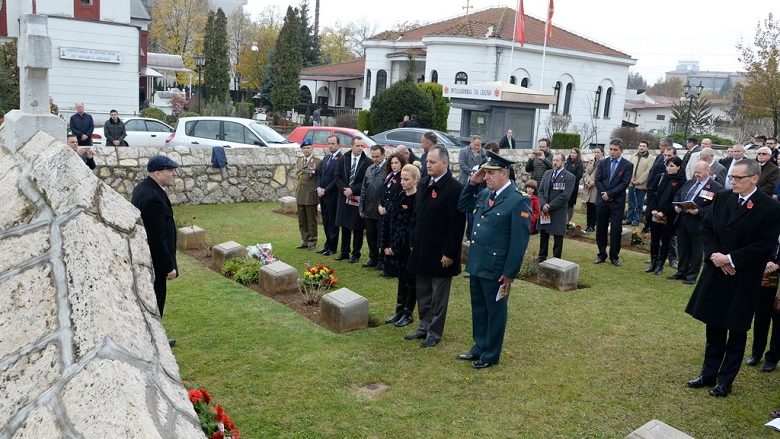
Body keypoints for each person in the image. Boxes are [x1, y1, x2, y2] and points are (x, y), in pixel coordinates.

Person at [685, 159, 780, 397]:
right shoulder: (723, 198)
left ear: (754, 179)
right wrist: (717, 257)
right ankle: (708, 374)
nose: (733, 181)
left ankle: (725, 381)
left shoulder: (769, 207)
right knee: (714, 326)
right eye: (732, 177)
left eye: (739, 178)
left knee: (736, 330)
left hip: (743, 276)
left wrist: (731, 259)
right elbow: (707, 228)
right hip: (717, 272)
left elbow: (764, 245)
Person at [457, 151, 531, 369]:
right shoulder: (485, 195)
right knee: (479, 308)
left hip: (497, 269)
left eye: (491, 172)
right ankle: (479, 347)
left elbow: (519, 242)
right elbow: (462, 206)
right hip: (478, 263)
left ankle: (490, 354)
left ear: (505, 173)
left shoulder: (517, 201)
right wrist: (472, 182)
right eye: (485, 172)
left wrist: (509, 273)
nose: (486, 176)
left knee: (495, 312)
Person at [404, 146, 466, 348]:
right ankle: (424, 326)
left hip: (441, 252)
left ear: (445, 164)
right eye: (427, 162)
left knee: (438, 295)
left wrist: (449, 252)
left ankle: (435, 332)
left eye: (431, 162)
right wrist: (413, 240)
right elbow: (416, 216)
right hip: (421, 248)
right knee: (423, 291)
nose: (427, 165)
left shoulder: (455, 188)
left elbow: (456, 225)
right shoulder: (423, 184)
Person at [131, 155, 180, 347]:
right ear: (158, 173)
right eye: (170, 170)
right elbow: (156, 238)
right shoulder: (152, 197)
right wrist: (168, 266)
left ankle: (153, 337)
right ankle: (154, 342)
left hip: (149, 259)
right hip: (155, 262)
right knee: (155, 299)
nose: (174, 174)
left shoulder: (146, 188)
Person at [668, 161, 723, 284]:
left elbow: (716, 208)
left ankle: (691, 276)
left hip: (698, 223)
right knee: (683, 248)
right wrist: (676, 206)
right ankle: (681, 271)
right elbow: (678, 196)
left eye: (699, 172)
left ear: (708, 172)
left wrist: (699, 211)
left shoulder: (716, 187)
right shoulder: (690, 182)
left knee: (696, 251)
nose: (696, 174)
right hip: (682, 220)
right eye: (695, 171)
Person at [383, 164, 420, 328]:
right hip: (397, 245)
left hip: (409, 248)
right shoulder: (400, 195)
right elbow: (392, 220)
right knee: (401, 278)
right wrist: (388, 243)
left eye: (406, 179)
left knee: (411, 280)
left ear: (415, 180)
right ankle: (399, 310)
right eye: (401, 179)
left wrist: (399, 245)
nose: (403, 182)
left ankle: (408, 313)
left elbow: (412, 226)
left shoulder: (418, 199)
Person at [594, 138, 634, 266]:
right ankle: (601, 254)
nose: (612, 152)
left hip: (616, 202)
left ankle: (614, 256)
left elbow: (624, 183)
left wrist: (610, 194)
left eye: (615, 150)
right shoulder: (603, 163)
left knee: (616, 230)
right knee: (601, 228)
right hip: (602, 200)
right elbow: (598, 180)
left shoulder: (627, 165)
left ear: (621, 151)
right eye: (610, 149)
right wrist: (603, 194)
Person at [644, 156, 686, 275]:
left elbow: (677, 199)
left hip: (669, 215)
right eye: (667, 165)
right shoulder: (660, 177)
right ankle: (653, 262)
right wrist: (653, 209)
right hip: (655, 213)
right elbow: (651, 192)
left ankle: (660, 264)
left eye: (672, 166)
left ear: (678, 167)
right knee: (655, 239)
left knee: (666, 240)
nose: (669, 168)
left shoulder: (681, 181)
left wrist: (665, 212)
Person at [746, 236, 780, 372]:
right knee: (761, 314)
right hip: (767, 275)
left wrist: (778, 264)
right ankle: (756, 352)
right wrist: (767, 262)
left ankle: (772, 357)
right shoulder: (772, 223)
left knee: (778, 318)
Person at [334, 137, 371, 263]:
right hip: (344, 197)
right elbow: (337, 177)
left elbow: (366, 181)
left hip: (357, 198)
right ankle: (344, 252)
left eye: (362, 146)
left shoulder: (367, 162)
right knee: (344, 226)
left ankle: (356, 253)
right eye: (358, 146)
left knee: (357, 227)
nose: (360, 148)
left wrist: (352, 190)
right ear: (352, 146)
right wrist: (344, 189)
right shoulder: (343, 159)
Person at [537, 153, 575, 261]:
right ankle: (542, 257)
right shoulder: (547, 173)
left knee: (558, 236)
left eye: (557, 160)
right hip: (545, 210)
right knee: (544, 234)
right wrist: (544, 204)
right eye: (553, 160)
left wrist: (550, 206)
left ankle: (556, 260)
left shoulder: (569, 177)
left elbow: (565, 196)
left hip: (558, 211)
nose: (554, 162)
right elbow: (540, 191)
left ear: (563, 162)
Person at [378, 152, 407, 276]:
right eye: (392, 163)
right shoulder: (389, 175)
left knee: (392, 239)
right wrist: (380, 205)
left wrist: (388, 209)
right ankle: (384, 265)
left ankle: (391, 269)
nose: (394, 165)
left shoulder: (402, 177)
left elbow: (398, 196)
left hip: (393, 213)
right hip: (384, 212)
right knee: (384, 238)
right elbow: (382, 192)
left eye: (397, 163)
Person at [359, 145, 388, 268]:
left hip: (381, 209)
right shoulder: (369, 168)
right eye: (373, 156)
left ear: (383, 155)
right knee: (370, 235)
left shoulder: (388, 169)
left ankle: (382, 260)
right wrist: (361, 207)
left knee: (381, 236)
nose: (375, 159)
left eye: (377, 156)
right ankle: (373, 258)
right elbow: (364, 188)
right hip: (369, 209)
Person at [316, 135, 343, 255]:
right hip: (322, 195)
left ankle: (332, 248)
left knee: (333, 222)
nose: (330, 145)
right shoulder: (326, 158)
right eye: (329, 143)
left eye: (333, 143)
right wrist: (318, 187)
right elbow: (319, 174)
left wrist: (325, 190)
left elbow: (336, 179)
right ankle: (327, 245)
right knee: (326, 221)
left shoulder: (341, 159)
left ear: (338, 145)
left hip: (332, 196)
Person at [459, 136, 486, 239]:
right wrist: (472, 172)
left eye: (479, 145)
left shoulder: (483, 153)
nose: (477, 147)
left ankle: (471, 231)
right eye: (475, 145)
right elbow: (462, 164)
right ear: (471, 143)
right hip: (465, 181)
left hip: (478, 184)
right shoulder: (464, 151)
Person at [295, 139, 320, 250]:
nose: (306, 150)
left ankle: (312, 241)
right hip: (300, 193)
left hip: (310, 194)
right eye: (304, 148)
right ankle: (304, 240)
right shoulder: (300, 160)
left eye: (308, 147)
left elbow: (319, 177)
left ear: (312, 148)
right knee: (302, 219)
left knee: (311, 220)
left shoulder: (317, 161)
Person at [625, 140, 652, 226]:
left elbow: (648, 172)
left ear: (647, 148)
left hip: (641, 185)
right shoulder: (633, 156)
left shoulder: (651, 158)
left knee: (639, 204)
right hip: (631, 183)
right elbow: (628, 167)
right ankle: (629, 218)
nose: (641, 147)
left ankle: (636, 219)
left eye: (644, 146)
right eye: (640, 145)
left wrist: (638, 181)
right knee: (631, 203)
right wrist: (630, 179)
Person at [581, 146, 604, 233]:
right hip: (589, 186)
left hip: (596, 187)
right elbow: (586, 173)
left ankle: (592, 225)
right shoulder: (591, 162)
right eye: (595, 152)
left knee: (594, 207)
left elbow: (602, 175)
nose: (596, 154)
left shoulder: (604, 162)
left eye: (598, 152)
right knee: (589, 206)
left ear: (602, 153)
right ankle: (588, 225)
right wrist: (589, 181)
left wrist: (594, 181)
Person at [564, 148, 584, 222]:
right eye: (571, 152)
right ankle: (562, 220)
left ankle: (567, 221)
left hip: (573, 187)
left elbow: (579, 176)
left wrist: (570, 180)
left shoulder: (579, 164)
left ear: (577, 154)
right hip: (564, 186)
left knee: (570, 204)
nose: (572, 154)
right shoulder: (567, 163)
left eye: (574, 153)